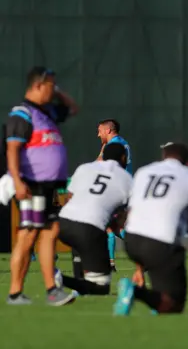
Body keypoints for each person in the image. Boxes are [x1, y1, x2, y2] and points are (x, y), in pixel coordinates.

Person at [6, 66, 79, 306]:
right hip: (32, 184)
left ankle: (51, 290)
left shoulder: (47, 112)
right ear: (38, 85)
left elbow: (73, 108)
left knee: (50, 231)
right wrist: (17, 181)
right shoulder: (22, 113)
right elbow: (13, 149)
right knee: (28, 235)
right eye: (50, 85)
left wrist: (56, 90)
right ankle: (15, 292)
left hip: (48, 187)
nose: (54, 90)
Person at [113, 142, 188, 315]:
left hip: (131, 241)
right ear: (187, 162)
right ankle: (134, 291)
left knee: (163, 294)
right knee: (174, 305)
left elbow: (133, 213)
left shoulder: (143, 172)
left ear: (163, 157)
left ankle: (149, 299)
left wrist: (139, 267)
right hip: (161, 243)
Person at [57, 143, 132, 296]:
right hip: (90, 228)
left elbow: (69, 198)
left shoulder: (85, 168)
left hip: (64, 222)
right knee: (101, 286)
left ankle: (76, 286)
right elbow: (123, 218)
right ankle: (58, 278)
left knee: (79, 243)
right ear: (124, 158)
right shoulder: (126, 179)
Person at [96, 118, 132, 272]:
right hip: (125, 188)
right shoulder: (123, 142)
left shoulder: (113, 146)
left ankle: (110, 264)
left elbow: (99, 164)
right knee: (116, 228)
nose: (98, 135)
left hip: (114, 189)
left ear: (108, 130)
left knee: (108, 228)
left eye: (100, 131)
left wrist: (102, 149)